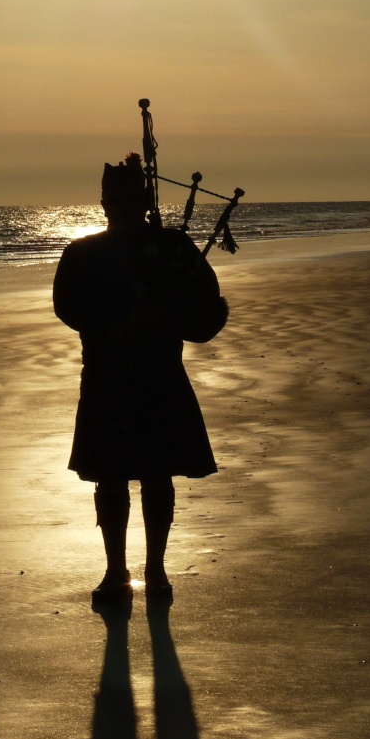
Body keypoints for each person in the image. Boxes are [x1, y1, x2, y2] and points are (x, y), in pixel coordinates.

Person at [53, 152, 229, 602]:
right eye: (114, 199)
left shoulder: (173, 250)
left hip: (159, 377)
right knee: (109, 478)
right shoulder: (83, 253)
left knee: (156, 476)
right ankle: (116, 571)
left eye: (130, 199)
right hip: (107, 379)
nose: (121, 207)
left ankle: (155, 570)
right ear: (104, 203)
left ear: (143, 200)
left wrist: (166, 315)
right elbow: (67, 306)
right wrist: (109, 326)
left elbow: (209, 309)